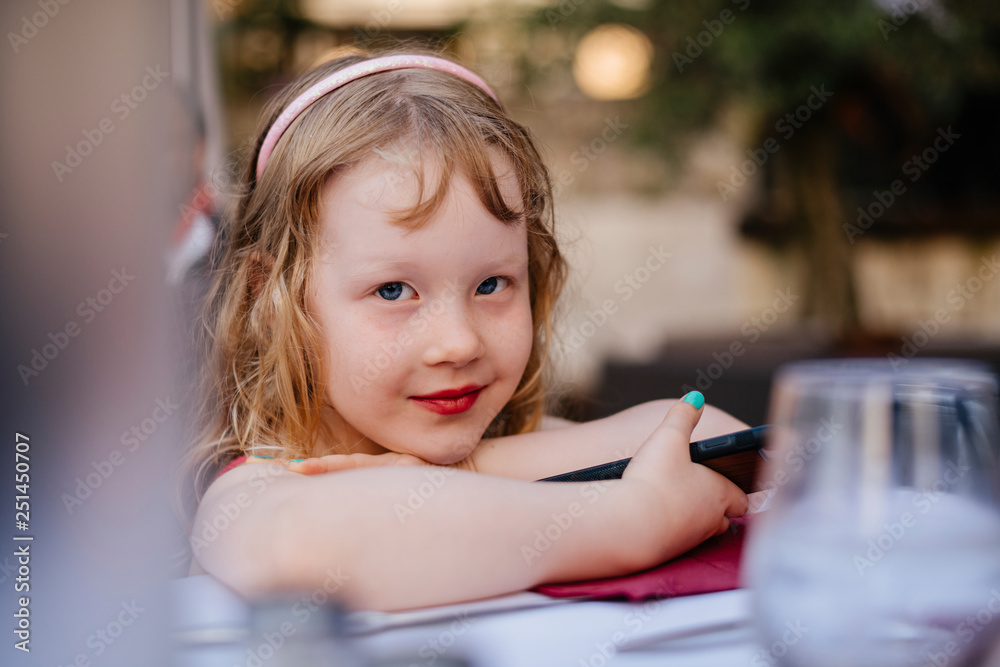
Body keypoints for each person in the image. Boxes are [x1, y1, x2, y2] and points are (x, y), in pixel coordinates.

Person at [183, 48, 749, 612]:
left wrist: (475, 466)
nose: (459, 342)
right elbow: (308, 548)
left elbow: (718, 442)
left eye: (491, 285)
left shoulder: (508, 444)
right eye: (393, 291)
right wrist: (635, 518)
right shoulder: (255, 489)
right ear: (270, 295)